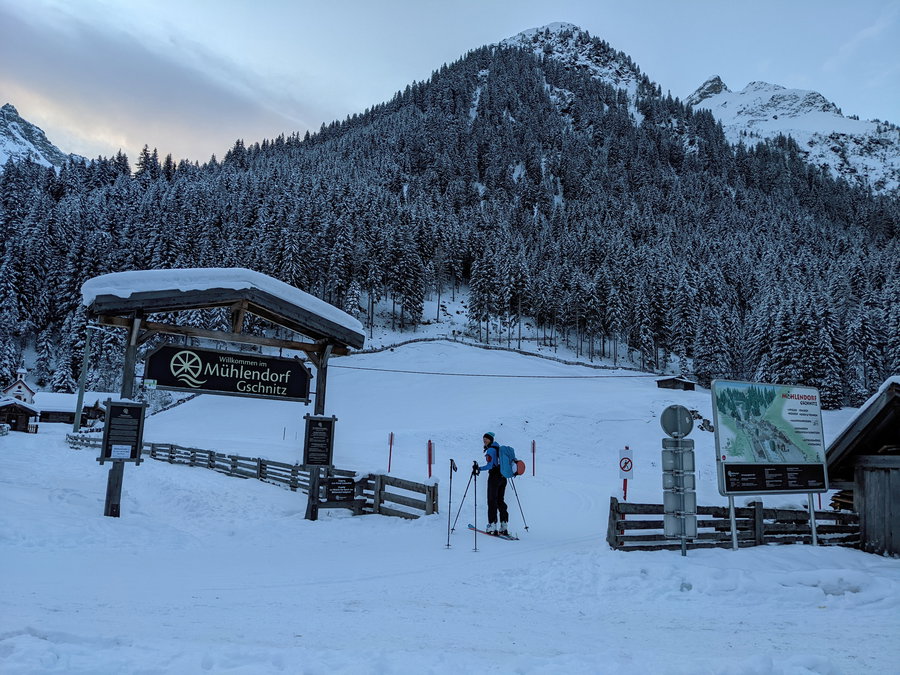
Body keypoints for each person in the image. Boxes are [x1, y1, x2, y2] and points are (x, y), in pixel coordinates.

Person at [472, 431, 509, 536]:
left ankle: (492, 526)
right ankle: (504, 525)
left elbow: (490, 465)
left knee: (492, 500)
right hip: (503, 477)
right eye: (484, 439)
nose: (484, 441)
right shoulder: (500, 449)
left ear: (491, 440)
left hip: (494, 477)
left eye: (486, 439)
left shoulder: (491, 450)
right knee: (500, 500)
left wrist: (478, 468)